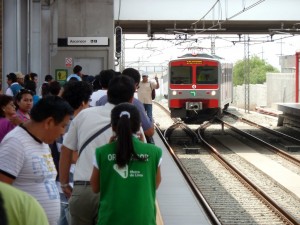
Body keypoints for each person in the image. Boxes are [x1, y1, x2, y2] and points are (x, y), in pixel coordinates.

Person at [59, 75, 138, 225]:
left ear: (107, 94)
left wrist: (64, 183)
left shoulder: (84, 115)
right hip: (116, 190)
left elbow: (66, 150)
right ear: (131, 98)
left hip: (83, 191)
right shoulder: (133, 122)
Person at [0, 96, 74, 225]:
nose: (63, 132)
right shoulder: (15, 143)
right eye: (63, 126)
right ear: (49, 122)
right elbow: (3, 192)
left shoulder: (43, 142)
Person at [90, 103, 162, 225]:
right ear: (139, 126)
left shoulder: (101, 153)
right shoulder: (154, 152)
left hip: (110, 220)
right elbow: (155, 184)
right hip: (143, 219)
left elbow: (95, 187)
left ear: (113, 127)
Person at [96, 68, 155, 142]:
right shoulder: (136, 104)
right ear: (135, 85)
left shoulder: (101, 100)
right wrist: (151, 121)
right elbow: (149, 132)